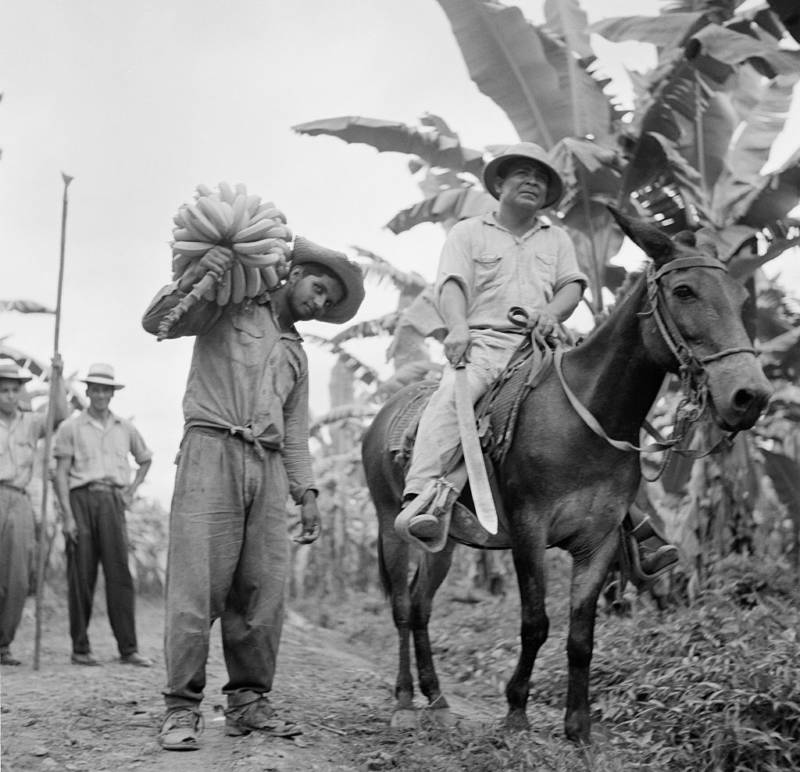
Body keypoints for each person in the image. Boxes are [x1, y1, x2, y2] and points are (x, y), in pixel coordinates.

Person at [397, 142, 678, 577]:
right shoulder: (468, 233)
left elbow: (571, 286)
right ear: (500, 184)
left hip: (544, 348)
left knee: (602, 414)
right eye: (522, 174)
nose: (532, 181)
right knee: (455, 397)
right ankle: (422, 498)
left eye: (541, 178)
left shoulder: (557, 238)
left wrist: (551, 313)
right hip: (485, 345)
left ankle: (639, 526)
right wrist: (456, 327)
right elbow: (451, 285)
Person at [141, 237, 365, 751]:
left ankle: (248, 702)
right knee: (197, 587)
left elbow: (294, 429)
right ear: (291, 275)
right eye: (317, 287)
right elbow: (158, 323)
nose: (320, 302)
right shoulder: (229, 303)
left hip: (264, 466)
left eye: (329, 299)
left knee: (263, 591)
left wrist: (305, 490)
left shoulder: (297, 355)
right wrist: (201, 277)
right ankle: (181, 707)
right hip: (210, 451)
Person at [53, 363, 153, 668]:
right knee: (81, 575)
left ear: (112, 393)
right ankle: (80, 649)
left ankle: (128, 649)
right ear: (87, 391)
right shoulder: (71, 427)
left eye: (105, 389)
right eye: (95, 389)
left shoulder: (126, 428)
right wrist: (68, 517)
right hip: (80, 498)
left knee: (119, 574)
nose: (100, 394)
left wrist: (130, 490)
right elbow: (59, 474)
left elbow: (145, 459)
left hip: (112, 501)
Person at [0, 358, 68, 666]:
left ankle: (3, 644)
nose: (9, 396)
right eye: (3, 390)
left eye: (14, 390)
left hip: (19, 499)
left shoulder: (30, 422)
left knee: (17, 577)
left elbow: (59, 416)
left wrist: (57, 377)